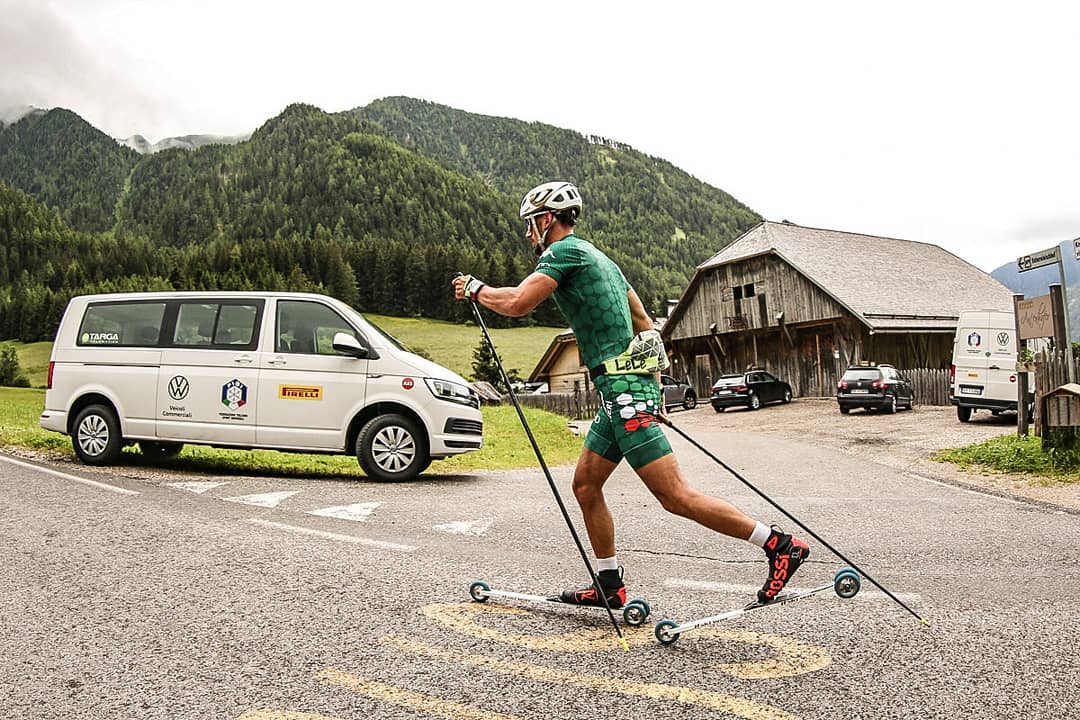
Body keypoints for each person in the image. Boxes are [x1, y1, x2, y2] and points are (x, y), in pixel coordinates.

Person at [452, 181, 810, 608]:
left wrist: (476, 289)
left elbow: (516, 303)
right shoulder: (603, 260)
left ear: (547, 220)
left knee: (675, 496)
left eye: (531, 224)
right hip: (621, 392)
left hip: (623, 393)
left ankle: (778, 545)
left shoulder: (563, 252)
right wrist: (654, 385)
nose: (529, 234)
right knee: (586, 486)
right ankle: (608, 583)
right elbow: (645, 322)